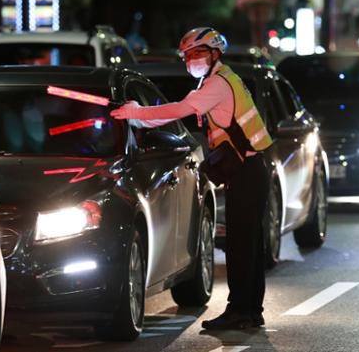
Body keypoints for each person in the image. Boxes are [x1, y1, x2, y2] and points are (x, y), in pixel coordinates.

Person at [110, 27, 273, 330]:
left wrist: (136, 112)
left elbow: (179, 110)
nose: (191, 59)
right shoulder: (215, 81)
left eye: (198, 53)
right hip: (250, 170)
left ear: (214, 54)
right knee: (248, 244)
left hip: (248, 171)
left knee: (241, 245)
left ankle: (241, 311)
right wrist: (137, 115)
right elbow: (179, 110)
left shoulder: (218, 84)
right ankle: (250, 310)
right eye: (187, 55)